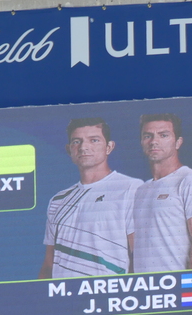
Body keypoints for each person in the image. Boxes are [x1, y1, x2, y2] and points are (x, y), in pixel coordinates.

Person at [39, 118, 142, 279]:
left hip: (108, 295)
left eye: (94, 140)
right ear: (69, 149)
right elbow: (49, 264)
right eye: (76, 141)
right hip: (64, 298)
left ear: (109, 147)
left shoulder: (130, 188)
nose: (84, 147)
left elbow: (140, 255)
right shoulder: (58, 200)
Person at [133, 113, 192, 273]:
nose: (154, 141)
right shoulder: (141, 190)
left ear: (178, 142)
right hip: (143, 289)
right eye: (148, 136)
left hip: (175, 287)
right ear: (142, 142)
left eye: (163, 135)